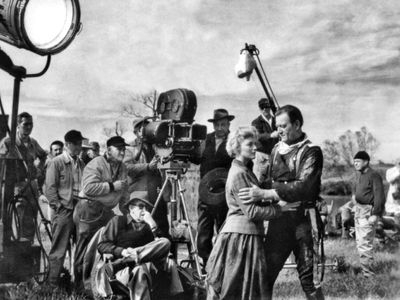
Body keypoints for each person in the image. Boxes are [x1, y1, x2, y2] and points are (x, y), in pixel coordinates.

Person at [239, 105, 324, 300]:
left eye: (283, 126)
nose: (279, 131)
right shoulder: (277, 148)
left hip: (304, 222)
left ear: (297, 124)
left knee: (308, 279)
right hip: (280, 221)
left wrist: (266, 193)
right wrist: (251, 187)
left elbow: (304, 187)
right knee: (266, 274)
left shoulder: (312, 152)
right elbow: (270, 180)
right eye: (277, 126)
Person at [206, 127, 299, 300]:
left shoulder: (245, 170)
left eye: (255, 144)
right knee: (240, 290)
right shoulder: (239, 173)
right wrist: (280, 208)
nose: (255, 148)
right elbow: (252, 211)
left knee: (244, 290)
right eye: (250, 144)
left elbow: (253, 203)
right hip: (241, 237)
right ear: (237, 147)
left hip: (244, 234)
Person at [96, 191, 183, 299]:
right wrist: (121, 251)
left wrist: (152, 225)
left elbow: (162, 247)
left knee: (165, 242)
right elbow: (102, 245)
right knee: (140, 270)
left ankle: (134, 256)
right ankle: (131, 258)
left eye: (147, 208)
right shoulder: (118, 221)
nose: (145, 211)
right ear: (131, 208)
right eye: (141, 207)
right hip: (123, 270)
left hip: (148, 267)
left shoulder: (149, 225)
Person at [73, 136, 130, 287]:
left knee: (105, 246)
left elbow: (124, 191)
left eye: (124, 149)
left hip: (105, 211)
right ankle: (79, 285)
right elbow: (89, 188)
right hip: (88, 210)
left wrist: (127, 214)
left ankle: (99, 284)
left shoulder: (123, 167)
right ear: (109, 150)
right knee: (85, 248)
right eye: (119, 149)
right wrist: (112, 186)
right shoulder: (96, 164)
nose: (123, 152)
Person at [45, 130, 85, 286]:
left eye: (81, 144)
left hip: (79, 208)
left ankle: (78, 284)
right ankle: (52, 284)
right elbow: (50, 189)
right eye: (77, 144)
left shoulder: (81, 163)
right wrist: (59, 207)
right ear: (68, 144)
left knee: (81, 247)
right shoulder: (56, 162)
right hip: (64, 210)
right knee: (59, 249)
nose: (80, 147)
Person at [0, 112, 47, 242]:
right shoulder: (8, 142)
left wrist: (38, 169)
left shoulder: (33, 142)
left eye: (31, 124)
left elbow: (43, 155)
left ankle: (28, 247)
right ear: (17, 126)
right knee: (16, 217)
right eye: (25, 124)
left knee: (31, 218)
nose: (29, 127)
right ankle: (16, 248)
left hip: (31, 185)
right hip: (15, 186)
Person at [197, 108, 234, 267]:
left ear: (228, 125)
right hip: (205, 192)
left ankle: (223, 264)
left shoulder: (234, 140)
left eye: (223, 124)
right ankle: (206, 263)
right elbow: (196, 158)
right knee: (203, 231)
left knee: (223, 228)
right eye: (217, 124)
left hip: (224, 193)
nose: (219, 128)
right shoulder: (206, 139)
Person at [352, 151, 385, 277]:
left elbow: (379, 195)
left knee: (364, 244)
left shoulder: (374, 175)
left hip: (368, 213)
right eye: (354, 162)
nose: (355, 164)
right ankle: (366, 271)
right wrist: (356, 204)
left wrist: (375, 214)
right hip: (359, 211)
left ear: (366, 162)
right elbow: (359, 193)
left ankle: (369, 275)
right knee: (360, 242)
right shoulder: (361, 175)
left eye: (358, 161)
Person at [251, 98, 279, 182]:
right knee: (258, 180)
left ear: (270, 108)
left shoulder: (277, 120)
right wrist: (271, 135)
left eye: (266, 107)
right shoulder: (256, 122)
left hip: (275, 156)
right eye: (262, 107)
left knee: (274, 181)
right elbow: (258, 136)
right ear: (259, 108)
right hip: (261, 156)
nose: (265, 109)